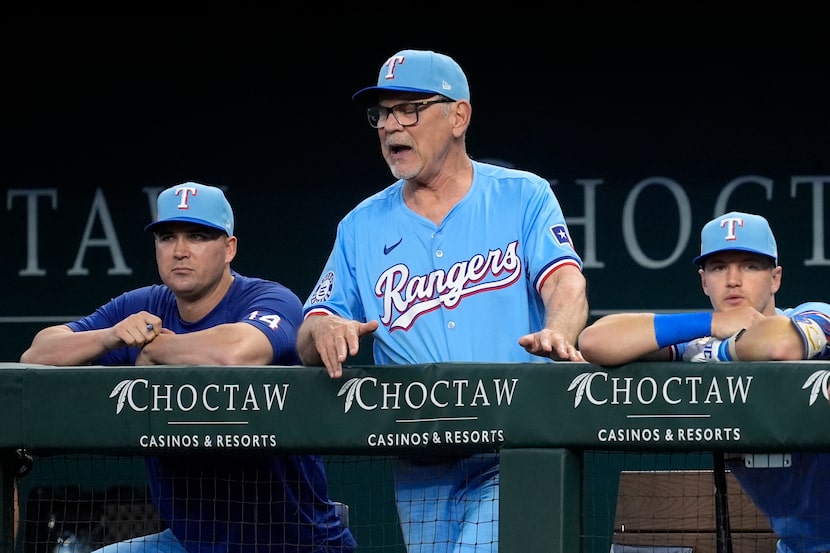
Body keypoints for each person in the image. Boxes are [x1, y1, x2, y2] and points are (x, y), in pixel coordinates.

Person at [296, 49, 588, 553]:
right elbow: (313, 324)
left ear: (459, 116)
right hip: (417, 457)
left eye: (410, 108)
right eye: (383, 113)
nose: (391, 126)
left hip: (512, 445)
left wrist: (558, 328)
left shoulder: (523, 195)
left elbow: (565, 282)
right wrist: (322, 329)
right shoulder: (360, 225)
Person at [20, 182, 356, 553]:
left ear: (229, 248)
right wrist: (110, 337)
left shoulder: (268, 297)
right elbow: (37, 354)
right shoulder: (142, 304)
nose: (180, 251)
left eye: (197, 236)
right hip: (191, 541)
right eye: (167, 237)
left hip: (289, 539)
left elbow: (237, 352)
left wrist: (157, 349)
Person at [577, 211, 830, 553]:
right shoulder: (697, 343)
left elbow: (779, 344)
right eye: (719, 267)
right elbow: (595, 341)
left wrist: (718, 352)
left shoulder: (815, 313)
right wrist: (710, 323)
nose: (734, 280)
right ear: (704, 281)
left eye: (750, 266)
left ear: (775, 278)